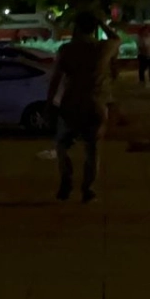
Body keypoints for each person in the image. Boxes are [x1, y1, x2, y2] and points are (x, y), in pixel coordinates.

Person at [46, 12, 119, 203]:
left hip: (71, 104)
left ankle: (66, 182)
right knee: (92, 149)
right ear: (94, 29)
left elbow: (56, 79)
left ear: (76, 29)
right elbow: (116, 38)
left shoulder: (67, 50)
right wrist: (102, 22)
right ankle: (88, 189)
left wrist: (50, 103)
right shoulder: (103, 48)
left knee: (63, 145)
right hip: (96, 105)